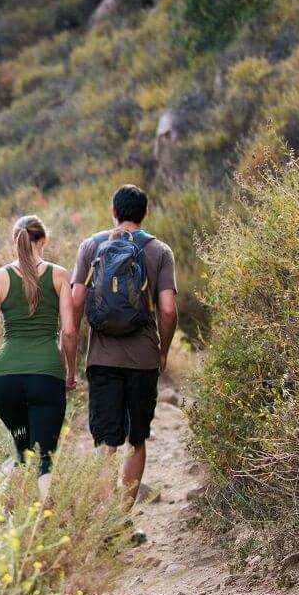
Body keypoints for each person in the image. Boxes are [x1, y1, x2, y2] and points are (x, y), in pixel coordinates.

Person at [71, 184, 178, 512]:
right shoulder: (160, 251)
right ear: (144, 214)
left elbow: (75, 302)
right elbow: (169, 309)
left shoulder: (91, 246)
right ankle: (120, 519)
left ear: (114, 212)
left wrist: (71, 349)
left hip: (101, 358)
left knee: (106, 441)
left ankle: (102, 520)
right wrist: (162, 351)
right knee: (136, 439)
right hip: (143, 359)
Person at [0, 215, 78, 499]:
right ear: (44, 240)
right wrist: (70, 371)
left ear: (15, 241)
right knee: (44, 458)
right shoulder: (59, 275)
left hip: (6, 383)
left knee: (23, 450)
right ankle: (46, 520)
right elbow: (69, 332)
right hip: (46, 377)